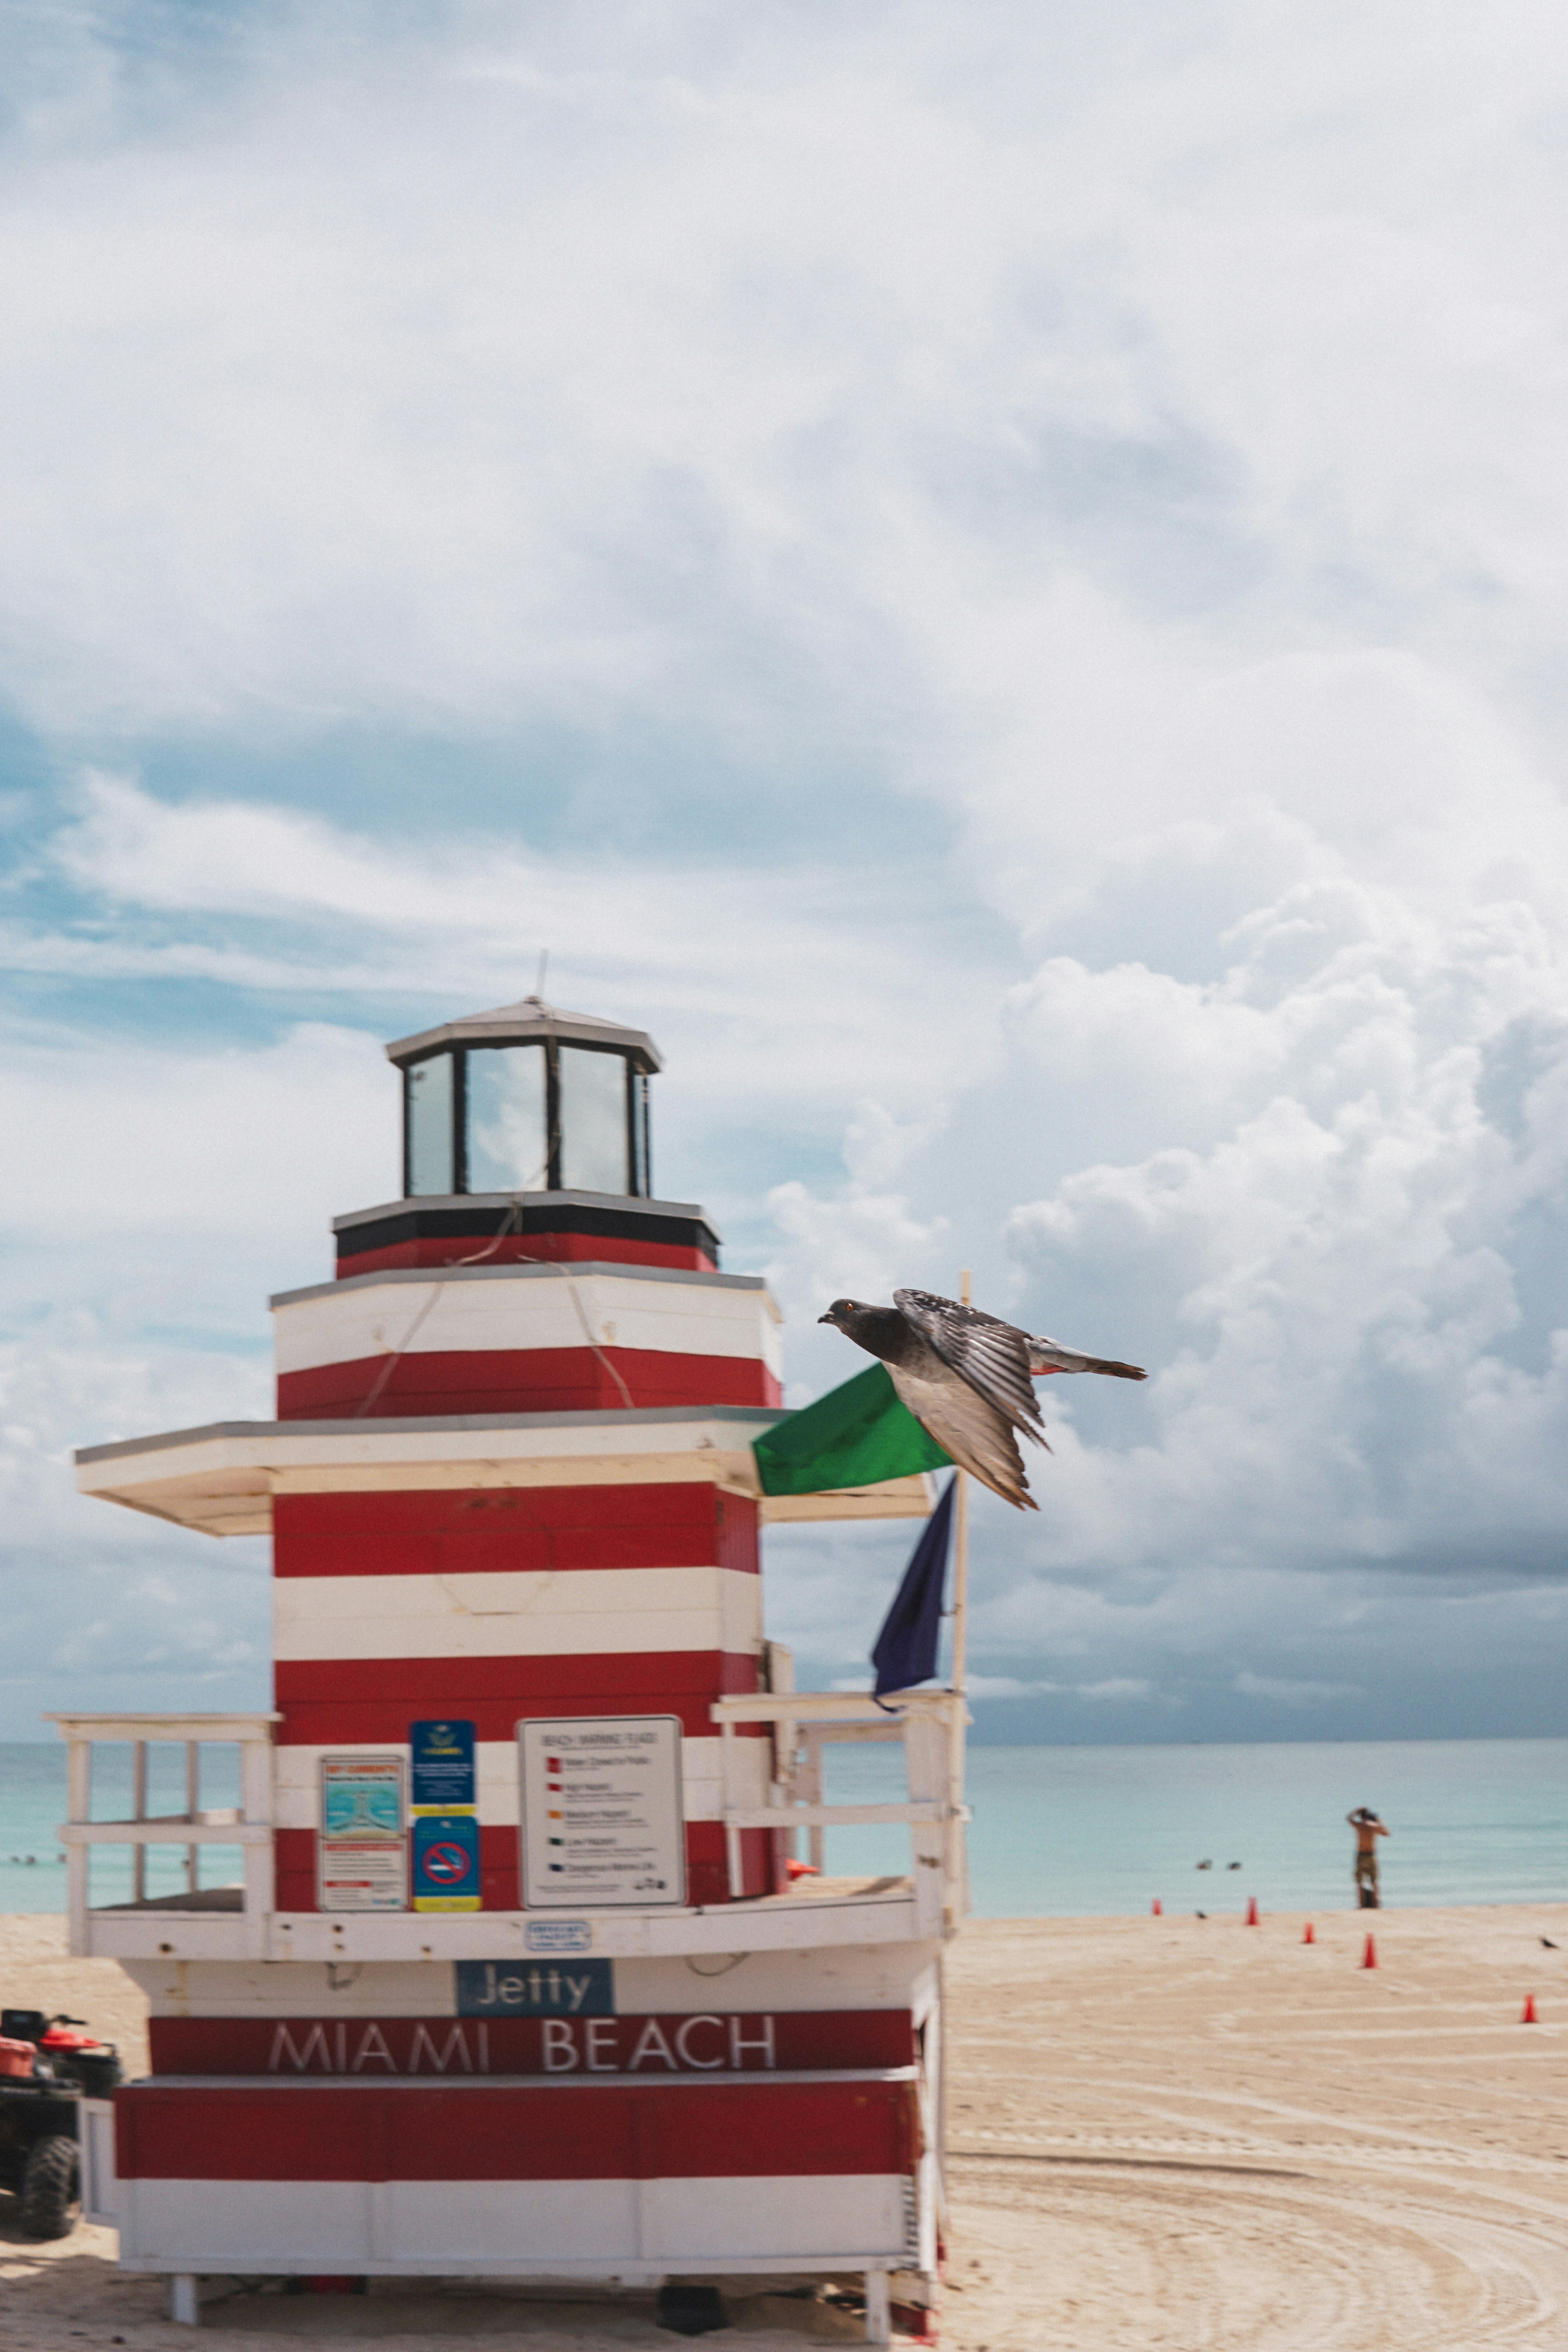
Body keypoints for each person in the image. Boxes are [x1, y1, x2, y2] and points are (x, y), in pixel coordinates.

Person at [1347, 1808, 1389, 1907]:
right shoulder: (1374, 1827)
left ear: (1361, 1817)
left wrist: (1356, 1812)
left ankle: (1361, 1904)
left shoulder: (1359, 1826)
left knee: (1360, 1882)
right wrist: (1379, 1821)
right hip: (1372, 1855)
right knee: (1374, 1881)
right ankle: (1376, 1904)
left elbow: (1349, 1819)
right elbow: (1387, 1833)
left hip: (1361, 1855)